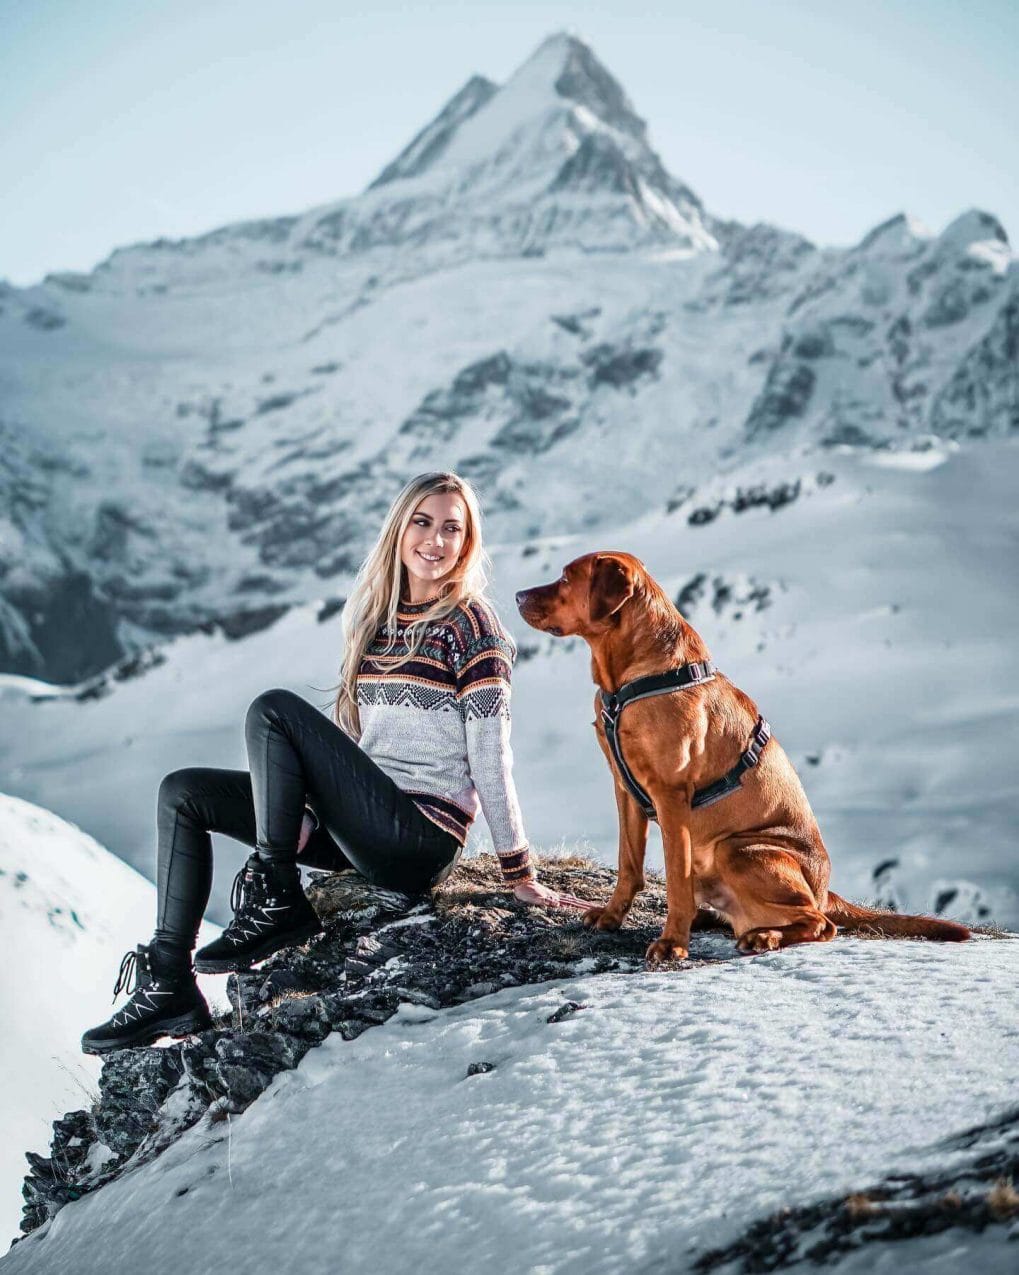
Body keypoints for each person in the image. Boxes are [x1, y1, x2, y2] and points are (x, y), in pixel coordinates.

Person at [82, 471, 591, 1054]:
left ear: (468, 544)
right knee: (182, 792)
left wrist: (519, 874)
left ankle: (277, 896)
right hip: (363, 828)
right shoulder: (379, 624)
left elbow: (490, 758)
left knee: (274, 711)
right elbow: (352, 762)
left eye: (453, 528)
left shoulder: (474, 629)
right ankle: (171, 983)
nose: (436, 539)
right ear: (399, 531)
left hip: (417, 838)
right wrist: (301, 821)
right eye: (422, 522)